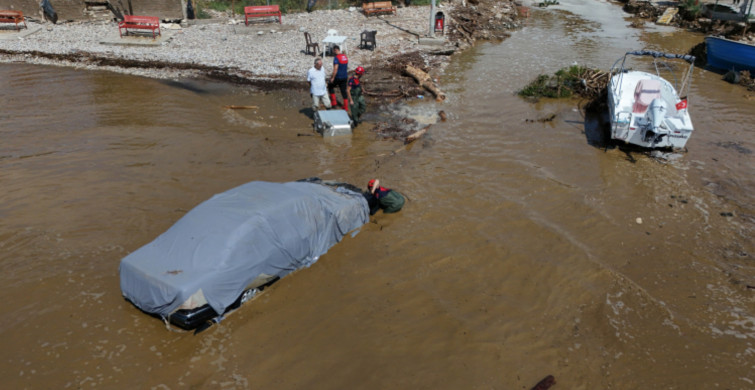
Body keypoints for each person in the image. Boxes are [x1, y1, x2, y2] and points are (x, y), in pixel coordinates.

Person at [328, 45, 349, 111]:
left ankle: (334, 102)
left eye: (333, 51)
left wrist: (332, 78)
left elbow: (335, 69)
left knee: (330, 86)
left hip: (338, 77)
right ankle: (345, 107)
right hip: (345, 76)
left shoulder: (336, 58)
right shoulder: (345, 57)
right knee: (343, 91)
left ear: (335, 50)